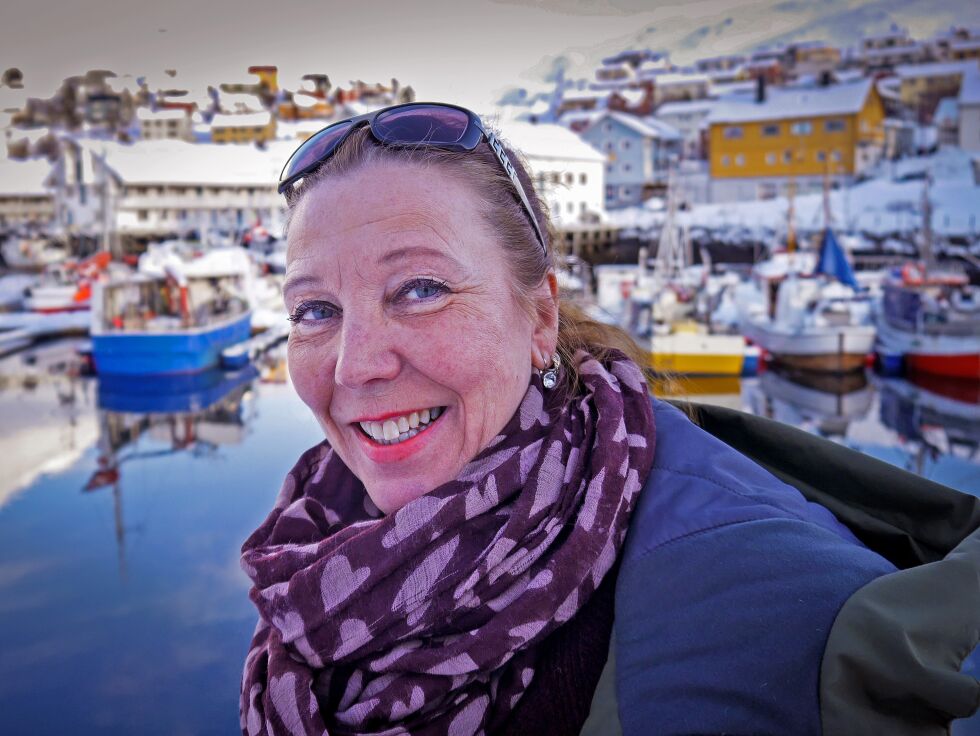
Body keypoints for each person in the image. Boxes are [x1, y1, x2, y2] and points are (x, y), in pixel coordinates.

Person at [240, 103, 980, 736]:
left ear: (538, 317)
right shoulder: (317, 548)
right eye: (315, 311)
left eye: (421, 289)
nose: (353, 365)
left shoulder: (773, 614)